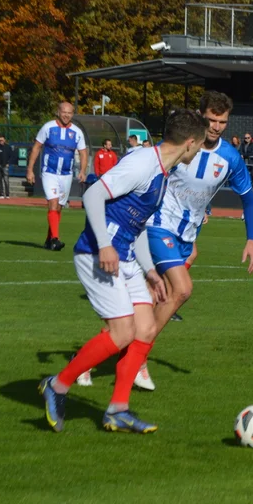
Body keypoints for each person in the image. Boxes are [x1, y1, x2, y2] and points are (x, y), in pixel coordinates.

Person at [38, 108, 208, 434]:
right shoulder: (143, 163)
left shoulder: (161, 171)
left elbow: (138, 224)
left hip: (125, 257)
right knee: (122, 333)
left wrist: (150, 271)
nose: (199, 151)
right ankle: (57, 386)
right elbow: (93, 194)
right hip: (97, 254)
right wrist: (103, 243)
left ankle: (117, 409)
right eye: (199, 145)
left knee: (145, 330)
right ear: (189, 143)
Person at [133, 91, 253, 390]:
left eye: (222, 121)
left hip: (187, 234)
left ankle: (96, 352)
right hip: (159, 224)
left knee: (152, 297)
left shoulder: (230, 157)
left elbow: (248, 200)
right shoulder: (182, 144)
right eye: (211, 120)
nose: (216, 126)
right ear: (200, 116)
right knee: (182, 289)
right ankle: (138, 358)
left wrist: (252, 239)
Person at [26, 102, 88, 251]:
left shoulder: (77, 132)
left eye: (69, 112)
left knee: (58, 208)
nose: (66, 115)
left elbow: (83, 152)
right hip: (49, 173)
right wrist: (30, 170)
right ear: (58, 112)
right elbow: (36, 148)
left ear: (73, 114)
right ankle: (55, 239)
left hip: (66, 174)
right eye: (63, 112)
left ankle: (49, 239)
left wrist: (82, 170)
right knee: (53, 204)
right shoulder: (48, 128)